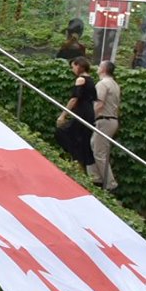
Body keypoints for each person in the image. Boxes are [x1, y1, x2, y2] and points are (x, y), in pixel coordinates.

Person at [54, 59, 96, 170]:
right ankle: (79, 163)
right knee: (81, 138)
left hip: (82, 112)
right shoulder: (91, 80)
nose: (72, 70)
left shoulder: (81, 79)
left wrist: (63, 115)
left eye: (73, 67)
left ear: (79, 66)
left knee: (62, 132)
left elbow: (74, 99)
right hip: (89, 112)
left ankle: (77, 161)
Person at [89, 59, 121, 192]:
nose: (97, 68)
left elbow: (99, 103)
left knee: (99, 152)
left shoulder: (102, 84)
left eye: (99, 66)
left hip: (104, 119)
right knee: (94, 145)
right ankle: (96, 177)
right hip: (111, 120)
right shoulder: (114, 84)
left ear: (103, 69)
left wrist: (90, 117)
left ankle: (109, 183)